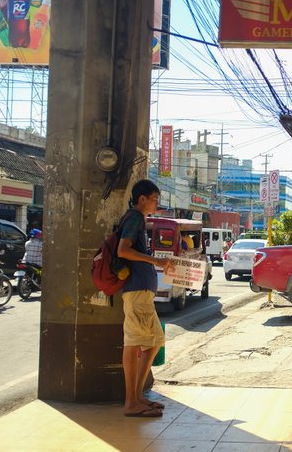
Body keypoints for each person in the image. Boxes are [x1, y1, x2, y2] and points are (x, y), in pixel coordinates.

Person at [116, 179, 174, 418]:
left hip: (142, 292)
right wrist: (155, 261)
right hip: (137, 291)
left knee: (154, 341)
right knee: (133, 342)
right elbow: (123, 250)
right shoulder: (135, 218)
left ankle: (138, 396)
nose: (156, 204)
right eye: (154, 199)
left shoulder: (138, 220)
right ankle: (131, 402)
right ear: (142, 199)